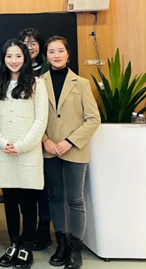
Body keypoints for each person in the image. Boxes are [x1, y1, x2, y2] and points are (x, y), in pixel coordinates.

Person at [41, 36, 100, 269]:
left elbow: (93, 119)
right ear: (46, 56)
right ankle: (61, 243)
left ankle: (76, 247)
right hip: (49, 150)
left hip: (74, 150)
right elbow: (36, 117)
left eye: (60, 51)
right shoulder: (39, 83)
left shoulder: (81, 83)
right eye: (51, 51)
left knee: (75, 199)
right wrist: (45, 140)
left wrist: (70, 141)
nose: (56, 55)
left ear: (68, 54)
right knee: (55, 197)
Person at [0, 39, 48, 269]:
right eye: (9, 56)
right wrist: (2, 142)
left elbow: (41, 119)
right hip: (4, 151)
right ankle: (13, 243)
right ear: (3, 58)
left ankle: (26, 246)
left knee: (29, 202)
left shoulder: (37, 83)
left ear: (25, 58)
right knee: (10, 202)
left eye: (18, 56)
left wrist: (22, 145)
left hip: (28, 152)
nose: (13, 61)